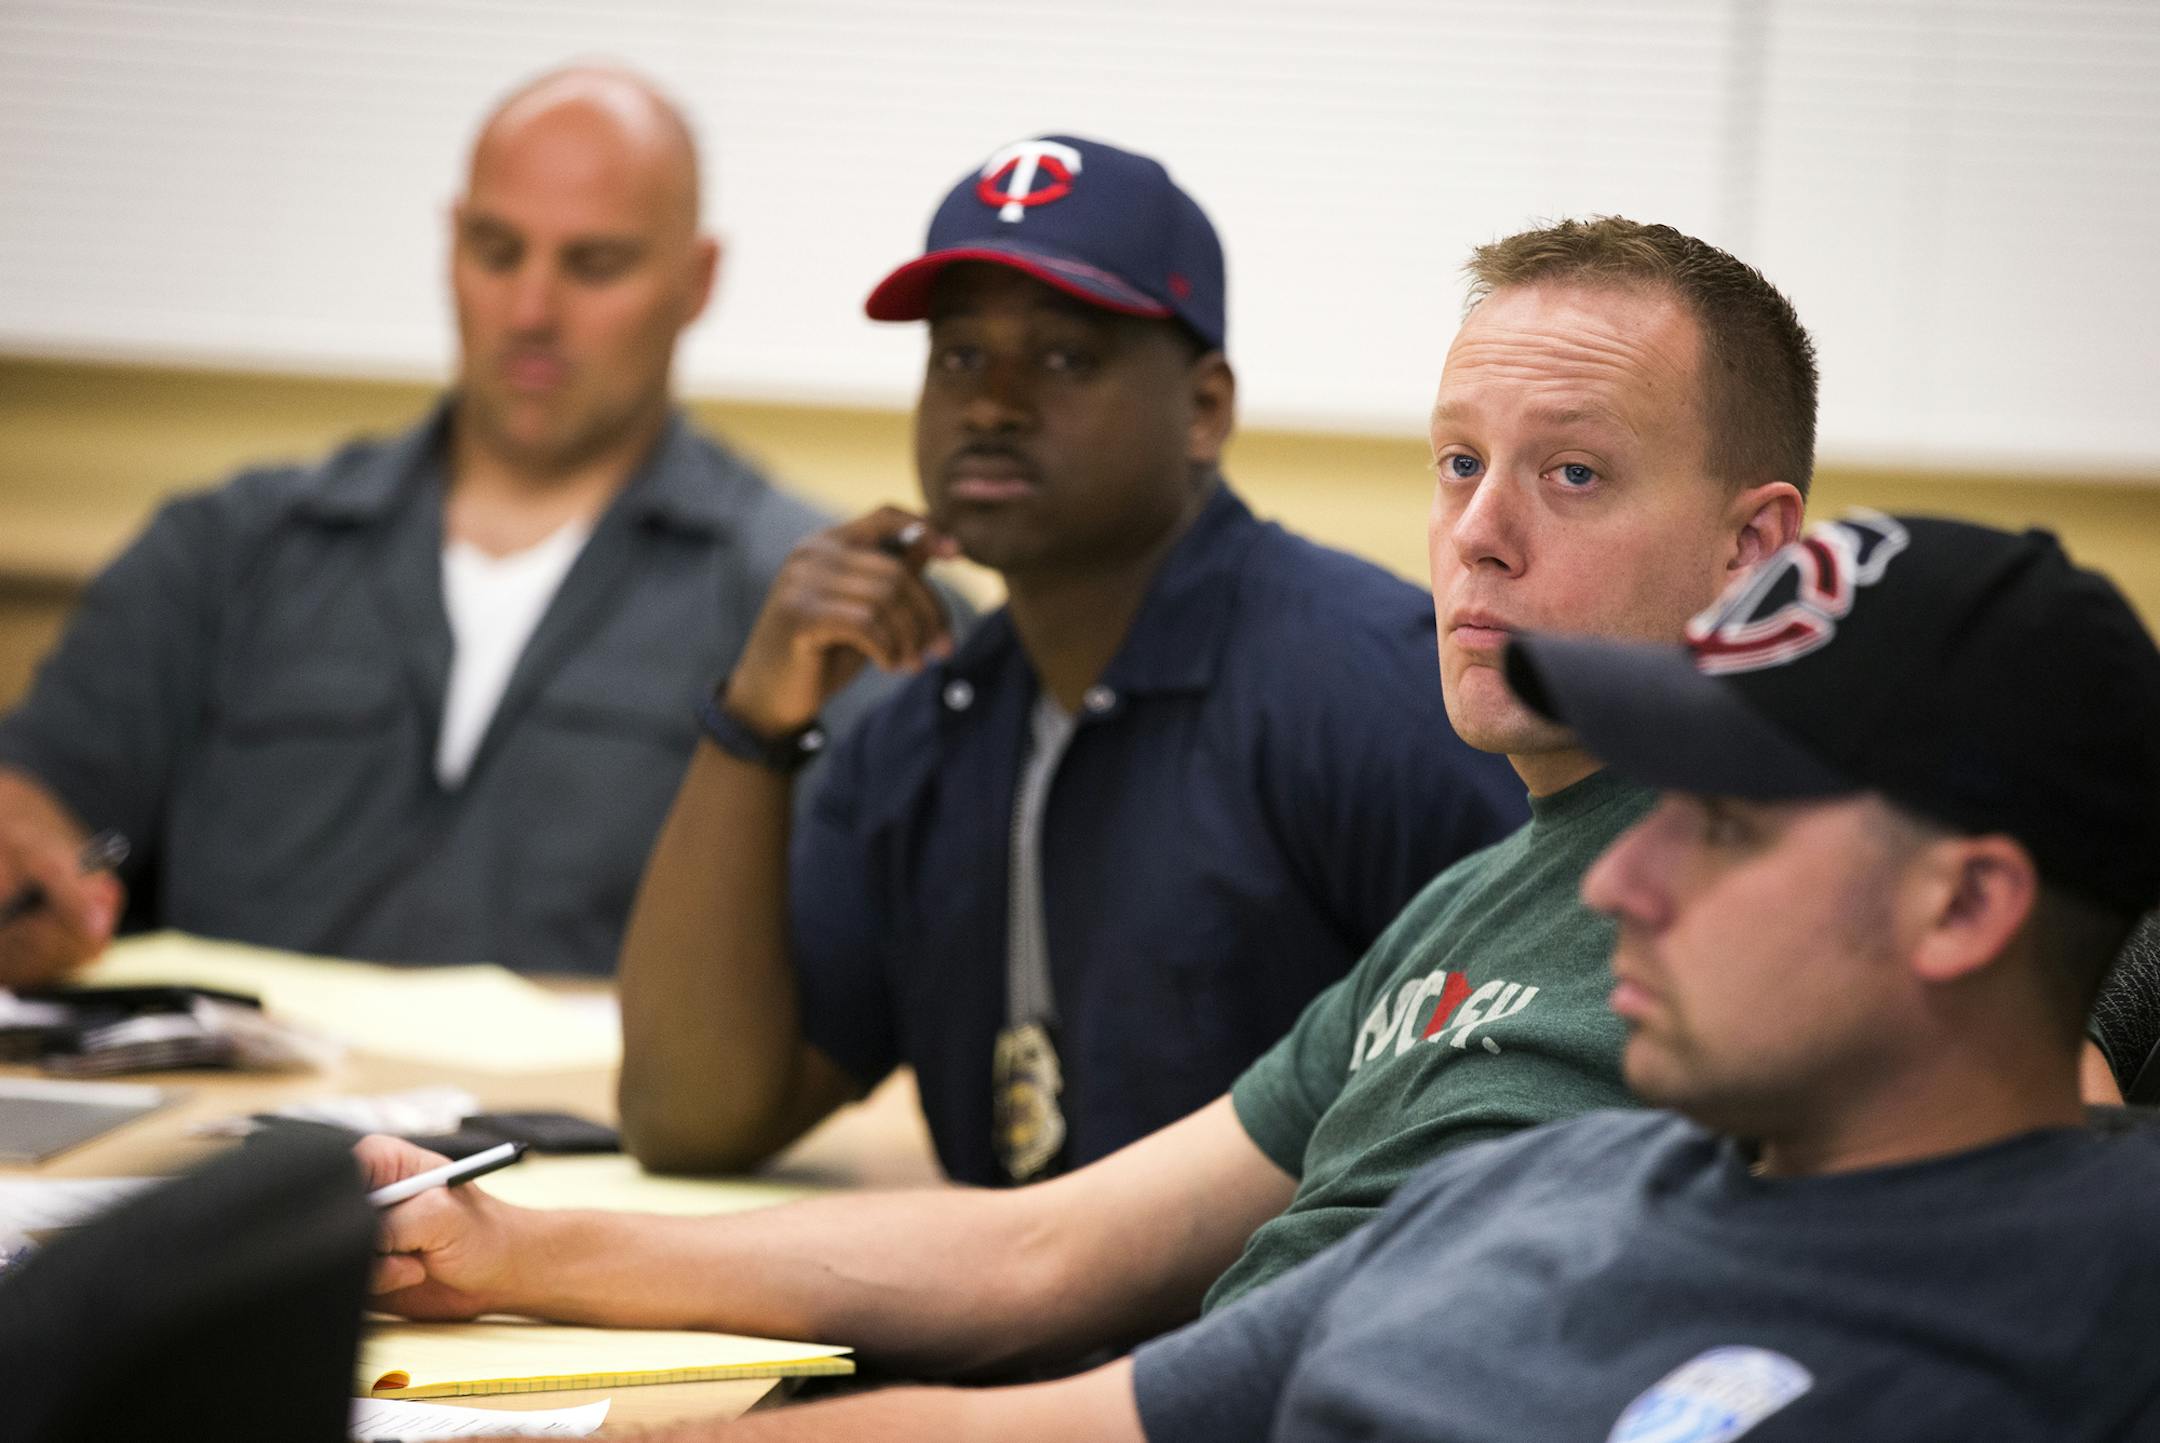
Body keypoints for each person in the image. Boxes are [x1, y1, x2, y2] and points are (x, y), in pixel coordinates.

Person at [360, 214, 1813, 1372]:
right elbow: (1045, 1251)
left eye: (1570, 472)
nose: (1477, 537)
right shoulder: (1480, 899)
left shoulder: (1796, 916)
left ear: (1755, 549)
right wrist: (502, 1243)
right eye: (1455, 462)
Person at [560, 512, 2160, 1441]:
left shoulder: (2088, 1299)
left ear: (1964, 909)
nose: (1618, 879)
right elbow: (1025, 1426)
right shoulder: (1545, 1184)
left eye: (1724, 827)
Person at [613, 135, 1525, 1182]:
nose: (992, 405)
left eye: (1064, 359)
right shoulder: (926, 727)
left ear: (1204, 409)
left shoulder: (1372, 686)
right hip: (1021, 1332)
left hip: (1288, 1338)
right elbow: (690, 1117)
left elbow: (1541, 1120)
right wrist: (755, 722)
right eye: (958, 357)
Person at [0, 66, 867, 980]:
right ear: (451, 244)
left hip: (595, 1121)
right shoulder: (227, 550)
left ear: (696, 282)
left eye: (593, 265)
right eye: (497, 252)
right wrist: (33, 854)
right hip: (232, 1108)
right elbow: (45, 797)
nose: (531, 312)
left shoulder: (799, 608)